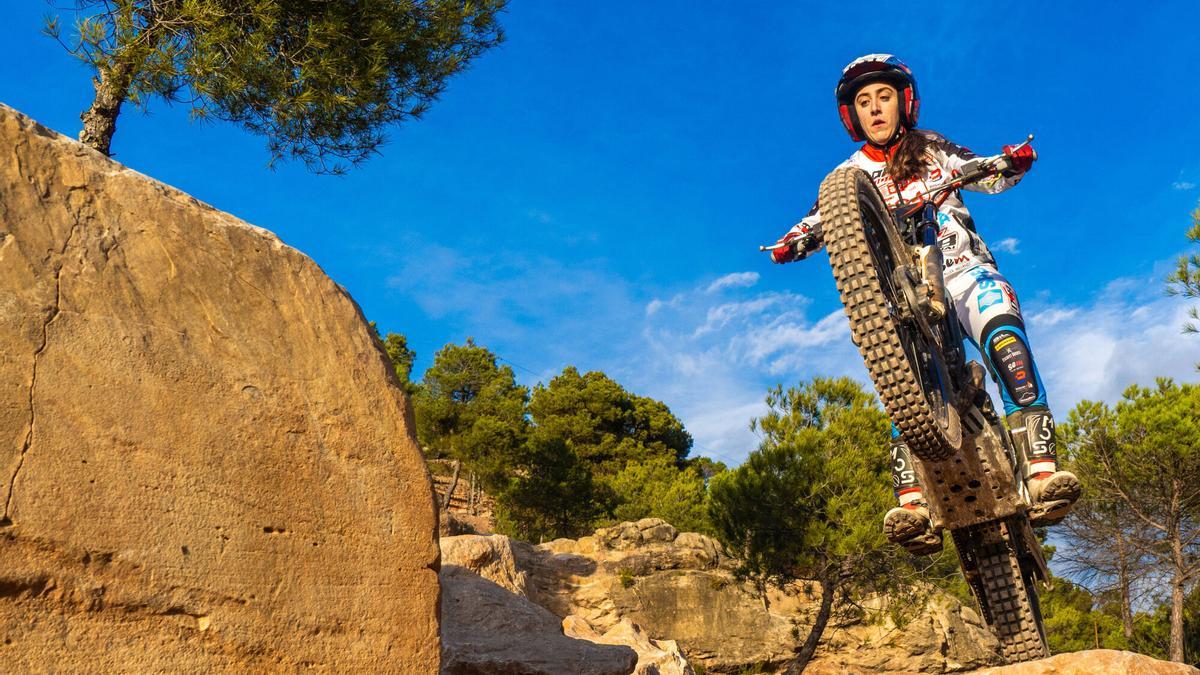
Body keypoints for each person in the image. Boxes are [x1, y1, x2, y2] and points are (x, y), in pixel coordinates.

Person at [770, 54, 1080, 555]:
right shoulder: (848, 175)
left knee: (1004, 334)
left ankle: (1041, 471)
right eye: (864, 102)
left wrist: (1012, 161)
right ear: (852, 115)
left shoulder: (933, 147)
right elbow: (817, 220)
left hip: (963, 270)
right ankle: (914, 504)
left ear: (904, 103)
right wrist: (789, 242)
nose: (875, 108)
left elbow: (982, 171)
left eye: (884, 97)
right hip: (903, 294)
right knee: (897, 373)